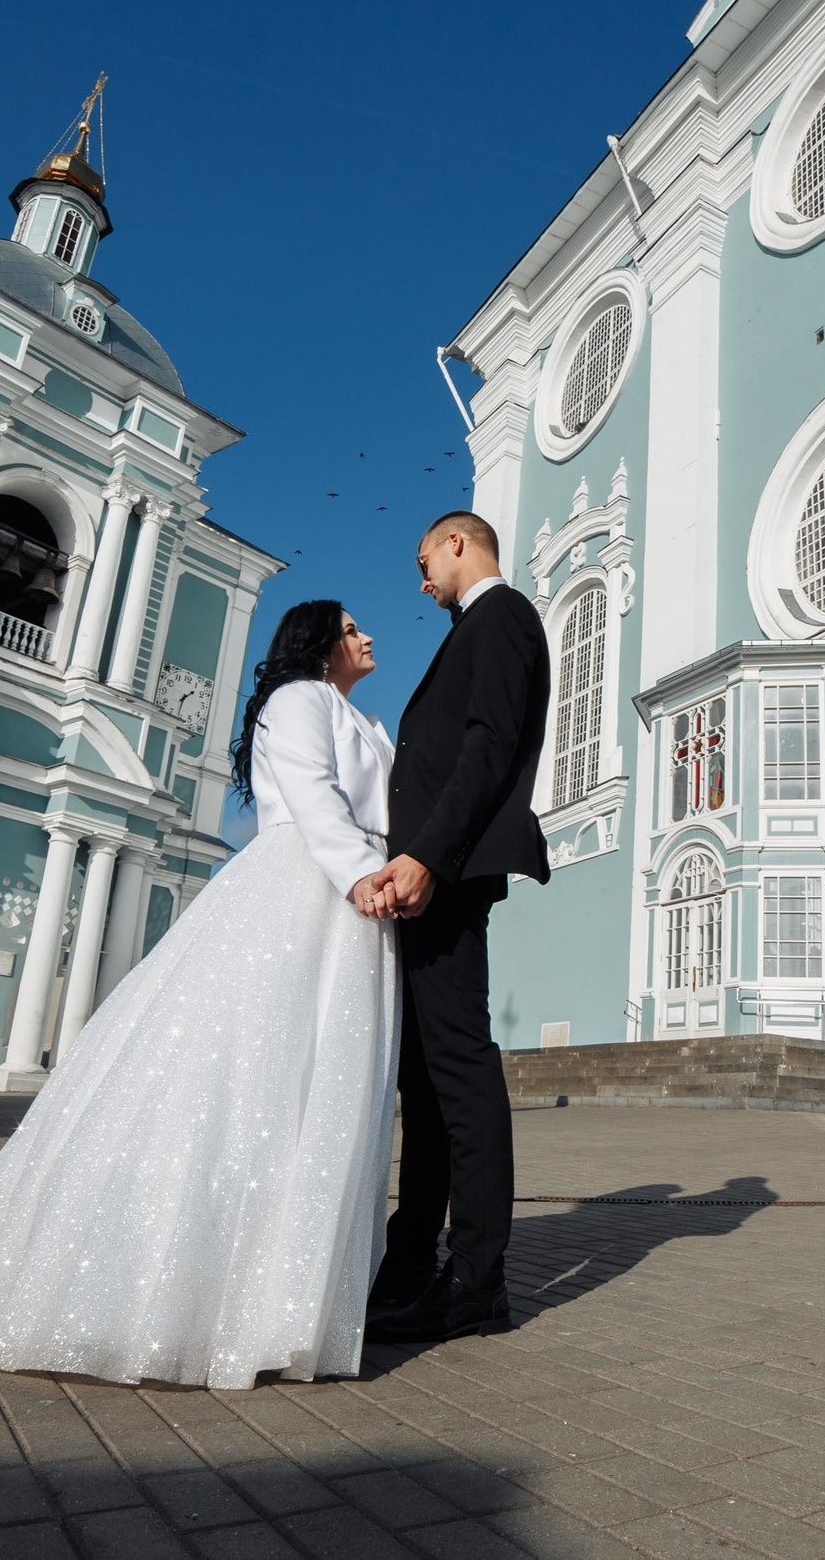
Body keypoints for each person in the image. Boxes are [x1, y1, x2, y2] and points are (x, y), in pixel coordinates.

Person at [0, 601, 399, 1389]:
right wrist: (362, 876)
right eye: (350, 627)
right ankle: (187, 1296)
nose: (367, 636)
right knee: (255, 1072)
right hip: (311, 887)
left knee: (322, 1086)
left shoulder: (363, 718)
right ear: (315, 642)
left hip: (354, 902)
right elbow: (312, 797)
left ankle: (283, 1299)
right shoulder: (297, 699)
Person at [356, 511, 552, 1344]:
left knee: (458, 1069)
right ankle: (411, 1264)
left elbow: (488, 747)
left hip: (450, 871)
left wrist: (430, 856)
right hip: (432, 872)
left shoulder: (502, 617)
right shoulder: (476, 627)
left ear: (460, 544)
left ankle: (476, 1280)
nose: (419, 575)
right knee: (427, 1082)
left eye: (422, 555)